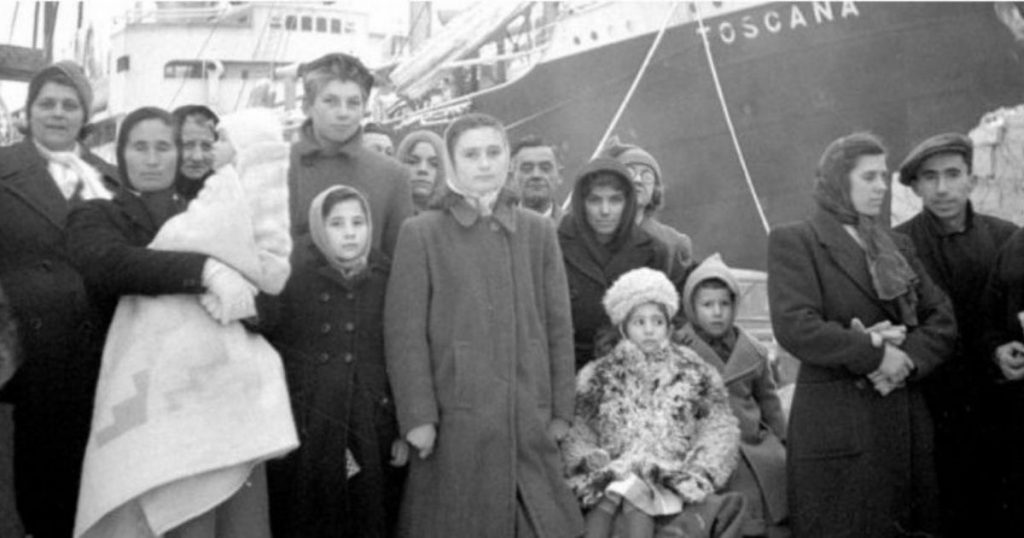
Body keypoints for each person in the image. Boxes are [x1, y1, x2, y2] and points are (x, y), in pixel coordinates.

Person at [68, 107, 296, 538]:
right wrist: (205, 271)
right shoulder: (98, 214)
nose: (152, 159)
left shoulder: (214, 210)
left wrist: (247, 306)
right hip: (142, 410)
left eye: (163, 147)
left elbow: (271, 302)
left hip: (224, 407)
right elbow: (109, 264)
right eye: (140, 147)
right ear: (121, 154)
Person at [384, 112, 584, 537]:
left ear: (507, 158)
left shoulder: (537, 231)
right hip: (455, 419)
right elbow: (405, 335)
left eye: (494, 152)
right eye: (471, 154)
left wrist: (561, 411)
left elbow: (558, 328)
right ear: (453, 161)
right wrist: (418, 417)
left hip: (527, 414)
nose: (484, 163)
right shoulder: (422, 233)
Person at [767, 132, 956, 537]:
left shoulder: (896, 246)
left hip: (901, 415)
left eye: (883, 176)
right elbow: (795, 325)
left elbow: (941, 318)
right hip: (838, 425)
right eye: (869, 177)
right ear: (839, 180)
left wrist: (905, 360)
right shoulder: (797, 241)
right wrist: (874, 352)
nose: (881, 187)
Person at [0, 60, 118, 538]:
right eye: (46, 103)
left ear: (84, 115)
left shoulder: (109, 179)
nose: (57, 113)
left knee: (94, 481)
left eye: (69, 105)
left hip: (99, 356)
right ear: (28, 112)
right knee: (37, 485)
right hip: (28, 359)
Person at [264, 185, 408, 538]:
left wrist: (400, 428)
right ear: (318, 227)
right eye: (337, 224)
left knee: (365, 511)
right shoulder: (293, 277)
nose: (349, 233)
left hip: (369, 421)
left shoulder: (387, 278)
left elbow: (399, 355)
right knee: (310, 514)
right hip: (309, 419)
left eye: (358, 222)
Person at [893, 132, 1017, 536]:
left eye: (952, 174)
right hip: (935, 405)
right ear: (915, 187)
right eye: (930, 177)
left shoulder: (1007, 238)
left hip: (1002, 401)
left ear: (972, 180)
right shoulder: (897, 247)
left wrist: (1006, 349)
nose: (942, 188)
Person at [561, 266, 744, 538]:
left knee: (638, 501)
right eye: (639, 322)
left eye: (657, 321)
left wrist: (699, 468)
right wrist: (588, 458)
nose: (649, 330)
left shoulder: (694, 370)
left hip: (671, 471)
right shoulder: (599, 375)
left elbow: (718, 426)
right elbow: (580, 428)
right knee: (605, 503)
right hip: (615, 469)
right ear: (623, 327)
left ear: (669, 325)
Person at [677, 255, 789, 538]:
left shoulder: (753, 350)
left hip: (752, 443)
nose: (717, 313)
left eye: (724, 304)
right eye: (707, 305)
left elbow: (769, 402)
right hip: (704, 447)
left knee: (775, 483)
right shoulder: (677, 350)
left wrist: (782, 440)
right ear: (692, 307)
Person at [558, 157, 687, 370]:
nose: (605, 210)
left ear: (628, 203)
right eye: (595, 200)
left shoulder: (654, 251)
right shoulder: (555, 246)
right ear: (581, 204)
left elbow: (667, 318)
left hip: (634, 370)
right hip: (568, 367)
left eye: (615, 200)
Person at [290, 53, 413, 258]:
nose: (343, 113)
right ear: (307, 106)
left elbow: (403, 263)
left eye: (353, 103)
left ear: (364, 108)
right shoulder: (277, 169)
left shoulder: (392, 176)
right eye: (330, 101)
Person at [602, 139, 695, 273]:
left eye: (647, 176)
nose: (638, 180)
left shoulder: (674, 245)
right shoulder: (593, 237)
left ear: (655, 189)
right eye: (630, 172)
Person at [172, 104, 219, 200]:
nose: (197, 157)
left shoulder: (229, 195)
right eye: (188, 145)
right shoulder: (150, 194)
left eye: (207, 146)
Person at [511, 135, 564, 220]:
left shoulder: (577, 226)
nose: (536, 175)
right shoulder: (493, 226)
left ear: (560, 175)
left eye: (545, 168)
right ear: (512, 176)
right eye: (527, 168)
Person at [396, 129, 446, 212]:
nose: (423, 169)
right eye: (412, 162)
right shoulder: (380, 213)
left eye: (434, 164)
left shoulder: (455, 217)